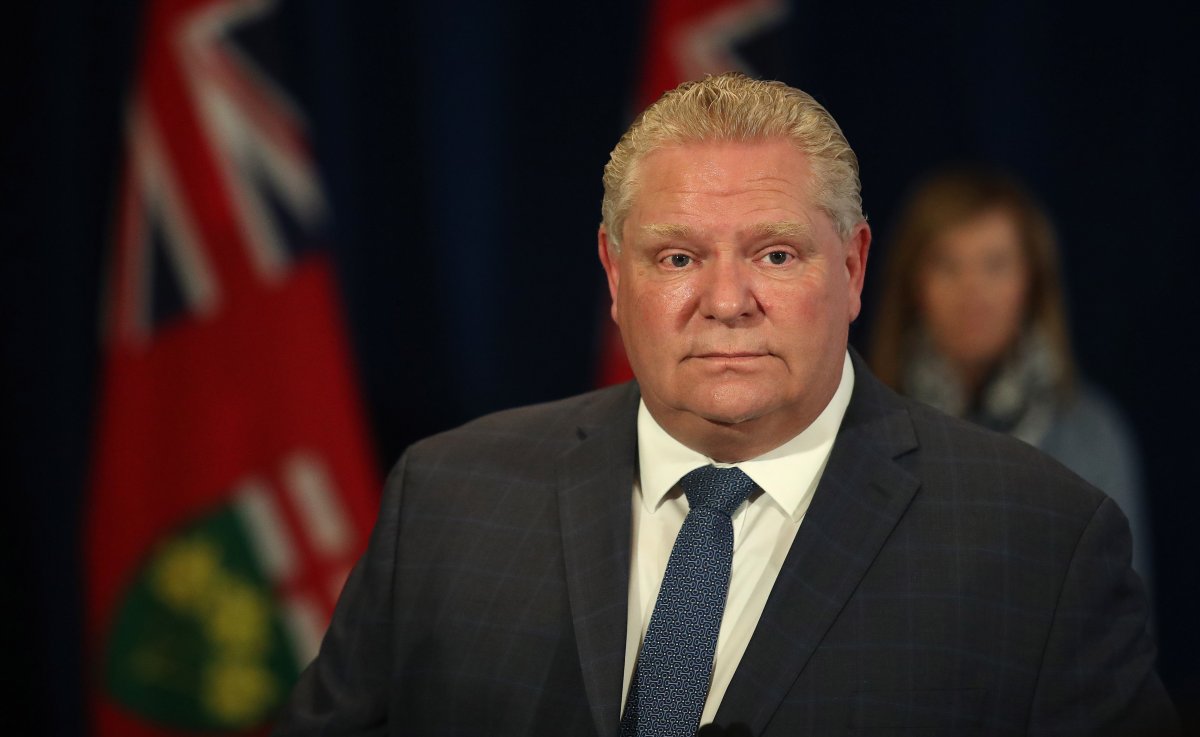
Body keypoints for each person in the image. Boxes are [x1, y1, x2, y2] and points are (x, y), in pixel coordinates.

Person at [274, 74, 1176, 736]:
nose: (727, 298)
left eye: (777, 254)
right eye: (677, 257)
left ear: (854, 268)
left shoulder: (1041, 542)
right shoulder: (449, 498)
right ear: (613, 276)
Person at [868, 167, 1153, 584]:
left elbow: (1122, 620)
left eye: (995, 265)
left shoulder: (1090, 434)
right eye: (947, 265)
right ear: (913, 284)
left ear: (1032, 283)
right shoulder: (863, 427)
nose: (972, 291)